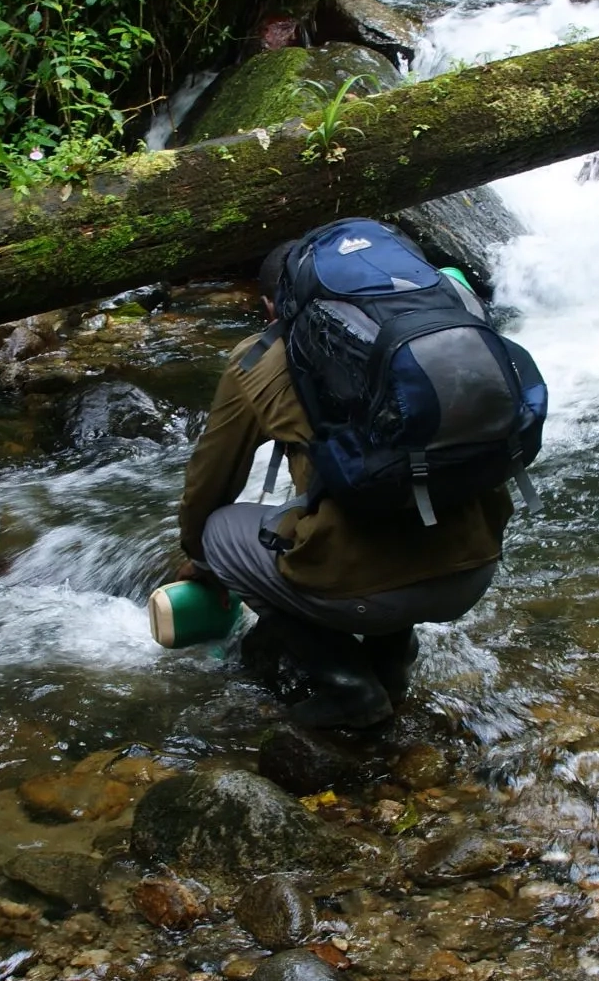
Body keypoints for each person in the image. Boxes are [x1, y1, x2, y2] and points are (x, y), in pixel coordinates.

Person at [175, 235, 514, 730]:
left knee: (219, 532)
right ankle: (392, 664)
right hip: (476, 569)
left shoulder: (258, 358)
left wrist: (201, 561)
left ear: (272, 306)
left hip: (364, 596)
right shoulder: (438, 329)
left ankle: (349, 685)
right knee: (406, 481)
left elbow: (210, 482)